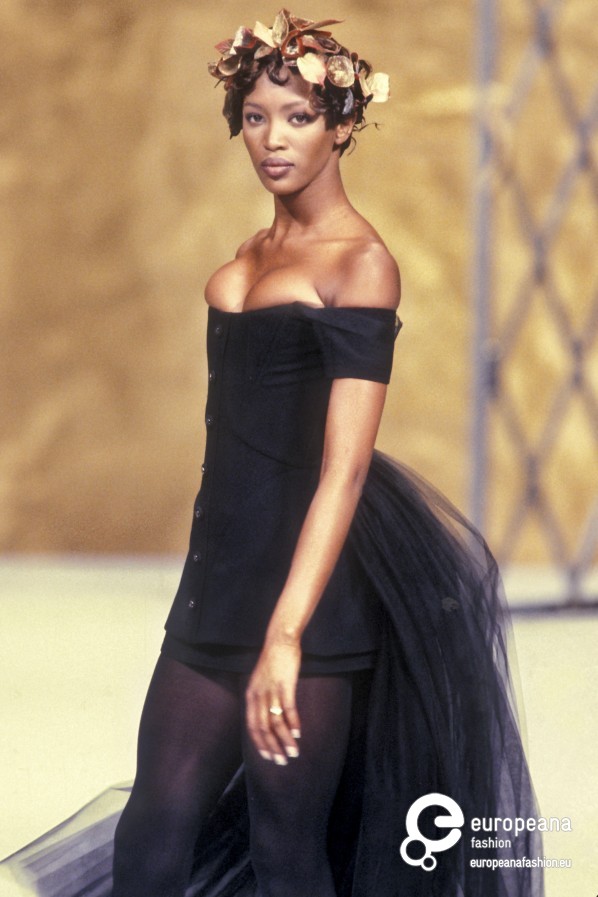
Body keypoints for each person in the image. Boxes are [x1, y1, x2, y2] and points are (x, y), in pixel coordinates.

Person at [3, 10, 543, 897]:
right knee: (150, 841)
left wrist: (287, 635)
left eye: (297, 117)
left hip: (308, 606)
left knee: (287, 848)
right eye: (256, 117)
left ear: (342, 126)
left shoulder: (361, 263)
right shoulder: (252, 252)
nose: (273, 138)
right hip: (215, 588)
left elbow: (345, 469)